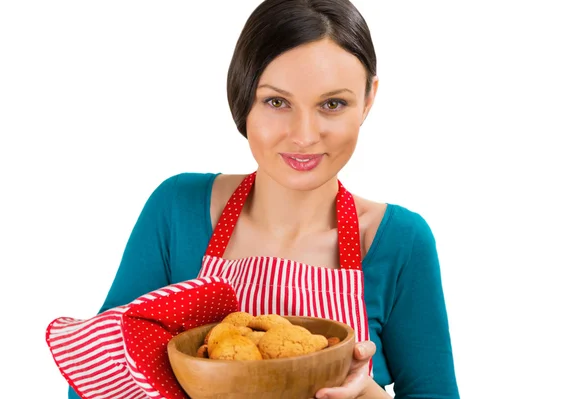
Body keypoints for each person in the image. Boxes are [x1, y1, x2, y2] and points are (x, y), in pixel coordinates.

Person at [67, 0, 459, 398]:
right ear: (243, 97)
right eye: (277, 102)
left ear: (368, 100)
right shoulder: (177, 210)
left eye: (332, 104)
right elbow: (97, 377)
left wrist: (363, 393)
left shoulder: (401, 242)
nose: (304, 135)